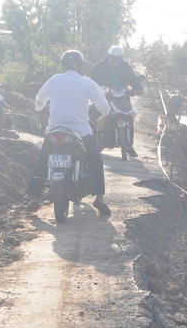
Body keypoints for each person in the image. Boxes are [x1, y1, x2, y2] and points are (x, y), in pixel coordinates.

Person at [26, 50, 112, 216]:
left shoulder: (55, 79)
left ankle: (34, 198)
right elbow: (104, 107)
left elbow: (39, 99)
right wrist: (105, 111)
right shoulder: (87, 83)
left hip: (55, 129)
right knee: (95, 160)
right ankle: (99, 199)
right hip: (80, 131)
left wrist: (40, 108)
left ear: (63, 65)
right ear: (80, 66)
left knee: (43, 160)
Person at [91, 45, 143, 157]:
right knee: (94, 113)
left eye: (118, 60)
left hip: (122, 96)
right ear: (108, 57)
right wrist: (101, 89)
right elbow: (93, 81)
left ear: (121, 59)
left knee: (130, 115)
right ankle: (94, 141)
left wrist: (137, 88)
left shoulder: (125, 67)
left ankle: (129, 145)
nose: (115, 62)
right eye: (113, 59)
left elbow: (132, 79)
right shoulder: (99, 67)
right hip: (105, 96)